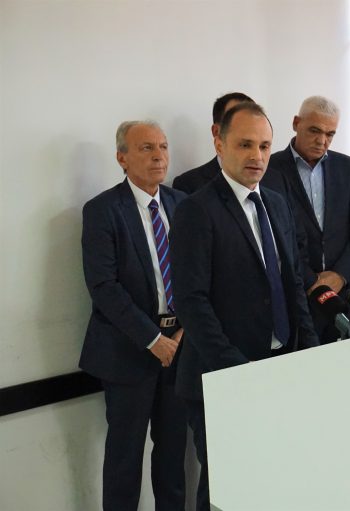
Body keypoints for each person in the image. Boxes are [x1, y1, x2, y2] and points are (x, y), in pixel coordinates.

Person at [170, 102, 319, 511]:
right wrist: (238, 370)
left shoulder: (277, 202)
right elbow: (192, 302)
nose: (257, 156)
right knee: (225, 491)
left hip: (279, 368)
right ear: (219, 143)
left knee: (274, 482)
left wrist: (309, 353)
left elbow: (293, 283)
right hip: (222, 377)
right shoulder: (195, 210)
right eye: (245, 144)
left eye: (265, 146)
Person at [80, 121, 187, 511]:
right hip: (127, 351)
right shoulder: (103, 210)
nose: (159, 156)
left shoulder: (183, 204)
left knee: (173, 459)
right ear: (122, 158)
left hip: (180, 346)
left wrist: (183, 332)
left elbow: (199, 274)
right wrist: (153, 340)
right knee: (124, 462)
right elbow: (104, 286)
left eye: (163, 146)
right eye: (146, 148)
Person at [261, 96, 350, 343]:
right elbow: (274, 234)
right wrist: (312, 280)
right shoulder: (270, 168)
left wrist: (340, 275)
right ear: (296, 123)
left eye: (330, 134)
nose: (322, 141)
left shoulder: (346, 167)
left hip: (343, 293)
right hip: (296, 294)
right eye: (314, 131)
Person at [173, 91, 254, 194]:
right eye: (238, 122)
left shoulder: (270, 178)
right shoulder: (189, 185)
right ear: (216, 132)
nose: (249, 131)